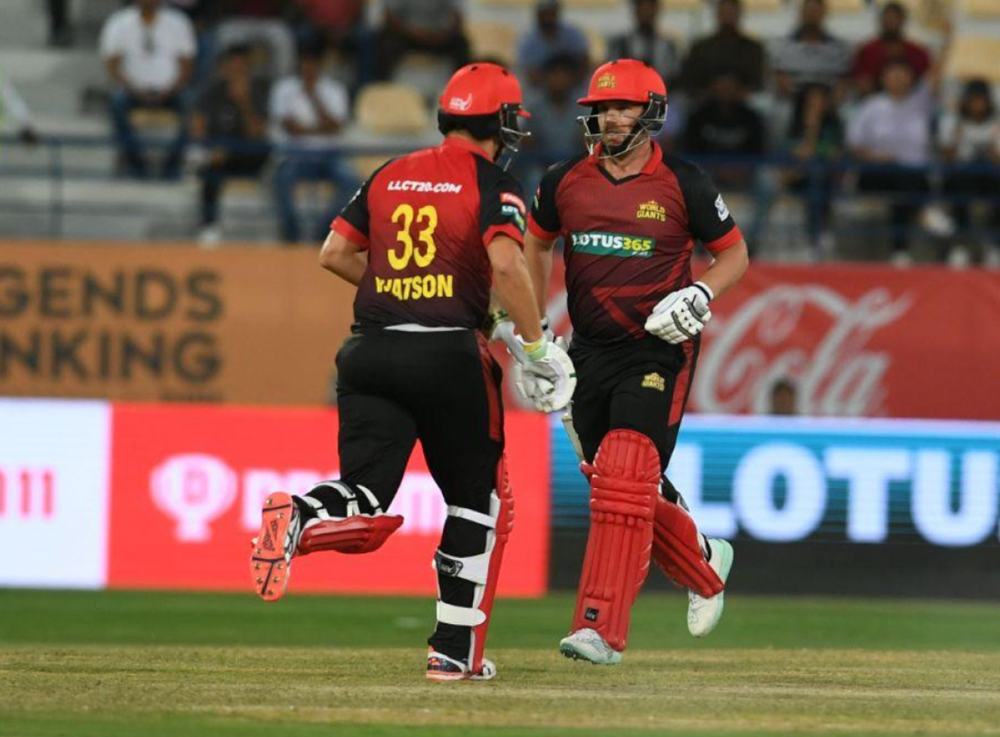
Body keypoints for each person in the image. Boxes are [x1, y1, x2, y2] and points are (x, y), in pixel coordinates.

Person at [249, 63, 576, 682]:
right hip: (447, 357)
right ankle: (452, 653)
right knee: (474, 503)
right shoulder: (493, 183)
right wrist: (534, 345)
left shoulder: (389, 173)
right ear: (500, 123)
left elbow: (336, 254)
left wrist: (401, 295)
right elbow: (507, 267)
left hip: (368, 352)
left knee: (365, 494)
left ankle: (297, 513)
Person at [522, 59, 749, 665]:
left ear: (650, 113)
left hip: (659, 347)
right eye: (602, 107)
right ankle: (703, 557)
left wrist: (701, 293)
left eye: (622, 107)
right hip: (589, 350)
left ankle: (599, 628)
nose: (609, 117)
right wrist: (535, 331)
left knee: (623, 471)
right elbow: (536, 246)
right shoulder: (563, 179)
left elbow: (733, 255)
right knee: (615, 483)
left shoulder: (684, 181)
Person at [269, 43, 359, 243]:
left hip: (329, 153)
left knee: (352, 183)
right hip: (295, 154)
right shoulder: (283, 89)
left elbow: (335, 126)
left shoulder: (335, 90)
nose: (308, 69)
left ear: (320, 66)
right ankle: (292, 234)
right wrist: (319, 128)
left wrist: (313, 97)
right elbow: (288, 126)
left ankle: (324, 231)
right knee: (280, 181)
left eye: (313, 64)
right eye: (304, 64)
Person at [100, 0, 196, 179]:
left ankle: (172, 167)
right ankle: (136, 165)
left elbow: (187, 66)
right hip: (133, 91)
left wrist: (169, 90)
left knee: (190, 103)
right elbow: (112, 65)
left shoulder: (178, 22)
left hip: (170, 91)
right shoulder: (119, 22)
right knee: (116, 104)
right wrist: (135, 89)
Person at [190, 45, 271, 246]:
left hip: (249, 153)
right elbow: (197, 128)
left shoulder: (257, 91)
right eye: (232, 68)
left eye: (241, 68)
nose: (236, 73)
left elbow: (257, 132)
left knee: (260, 150)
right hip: (218, 154)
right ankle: (209, 225)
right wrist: (209, 146)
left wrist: (243, 101)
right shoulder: (212, 92)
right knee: (210, 171)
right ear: (224, 68)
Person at [937, 79, 1000, 267]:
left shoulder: (996, 125)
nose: (977, 105)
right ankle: (961, 245)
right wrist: (956, 137)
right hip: (962, 177)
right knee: (958, 189)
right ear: (966, 102)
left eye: (982, 100)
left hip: (990, 177)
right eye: (973, 100)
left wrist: (991, 150)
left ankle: (993, 245)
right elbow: (947, 159)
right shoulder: (953, 121)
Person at [679, 0, 765, 96]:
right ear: (717, 14)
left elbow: (758, 82)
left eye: (731, 12)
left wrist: (738, 91)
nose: (727, 16)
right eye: (724, 12)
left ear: (738, 13)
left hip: (744, 102)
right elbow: (690, 82)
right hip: (706, 102)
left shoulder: (753, 49)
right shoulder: (701, 48)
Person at [769, 0, 851, 101]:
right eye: (809, 11)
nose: (812, 15)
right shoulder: (783, 46)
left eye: (815, 11)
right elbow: (781, 81)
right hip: (793, 101)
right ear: (801, 13)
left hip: (827, 101)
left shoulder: (838, 48)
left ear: (824, 14)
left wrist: (831, 104)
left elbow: (842, 82)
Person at [851, 1, 932, 98]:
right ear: (881, 21)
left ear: (902, 21)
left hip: (910, 101)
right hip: (874, 100)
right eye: (888, 19)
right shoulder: (867, 50)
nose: (891, 22)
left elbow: (927, 80)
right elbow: (861, 82)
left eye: (895, 19)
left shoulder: (917, 52)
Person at [376, 0, 471, 81]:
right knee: (385, 43)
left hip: (439, 36)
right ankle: (384, 86)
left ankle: (462, 86)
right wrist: (412, 33)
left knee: (461, 44)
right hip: (406, 34)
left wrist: (443, 35)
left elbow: (457, 16)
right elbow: (389, 15)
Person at [517, 0, 589, 90]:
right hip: (541, 89)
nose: (547, 18)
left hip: (574, 85)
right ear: (538, 15)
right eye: (544, 14)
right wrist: (553, 83)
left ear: (557, 13)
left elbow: (585, 62)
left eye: (550, 14)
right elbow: (530, 74)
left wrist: (567, 81)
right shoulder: (528, 41)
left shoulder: (573, 34)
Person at [607, 0, 681, 86]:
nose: (646, 11)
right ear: (635, 9)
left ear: (657, 9)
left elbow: (673, 75)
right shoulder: (620, 45)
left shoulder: (668, 47)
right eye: (642, 6)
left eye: (650, 6)